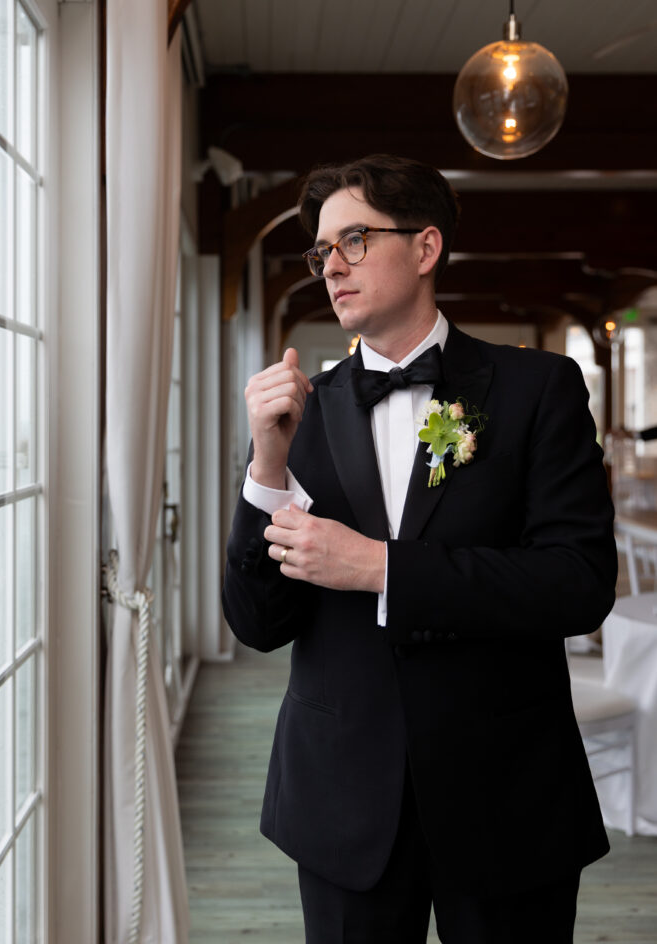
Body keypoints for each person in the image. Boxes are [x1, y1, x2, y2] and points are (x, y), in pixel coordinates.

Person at [222, 154, 617, 943]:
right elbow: (258, 622)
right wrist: (265, 464)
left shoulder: (538, 390)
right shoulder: (300, 415)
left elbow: (577, 583)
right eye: (320, 250)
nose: (330, 266)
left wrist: (379, 568)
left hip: (507, 792)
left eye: (354, 241)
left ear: (427, 248)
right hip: (339, 799)